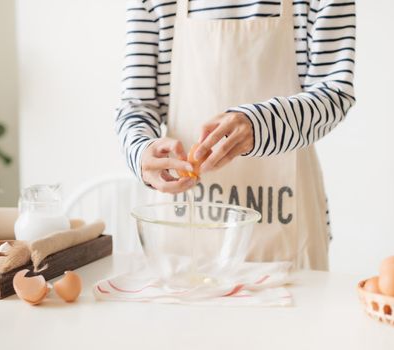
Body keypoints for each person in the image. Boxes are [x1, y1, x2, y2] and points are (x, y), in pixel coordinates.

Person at [116, 0, 356, 270]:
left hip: (288, 238)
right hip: (182, 237)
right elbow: (137, 104)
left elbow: (334, 95)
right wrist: (140, 152)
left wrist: (259, 124)